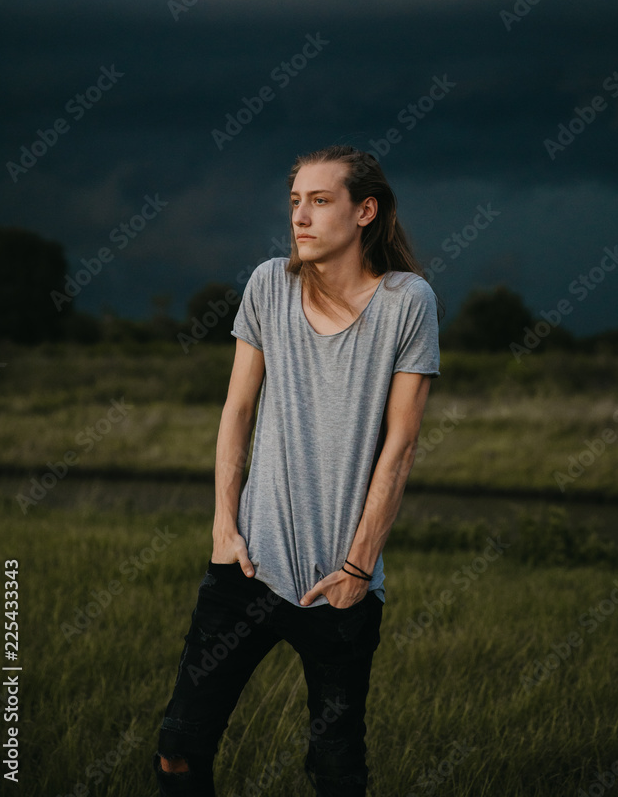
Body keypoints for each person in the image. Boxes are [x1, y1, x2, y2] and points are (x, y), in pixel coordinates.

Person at [153, 144, 441, 796]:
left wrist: (357, 569)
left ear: (365, 211)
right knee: (178, 747)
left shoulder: (406, 301)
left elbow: (400, 446)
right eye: (293, 202)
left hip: (339, 584)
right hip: (244, 569)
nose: (300, 218)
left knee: (336, 769)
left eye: (319, 201)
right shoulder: (268, 284)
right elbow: (237, 411)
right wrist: (224, 532)